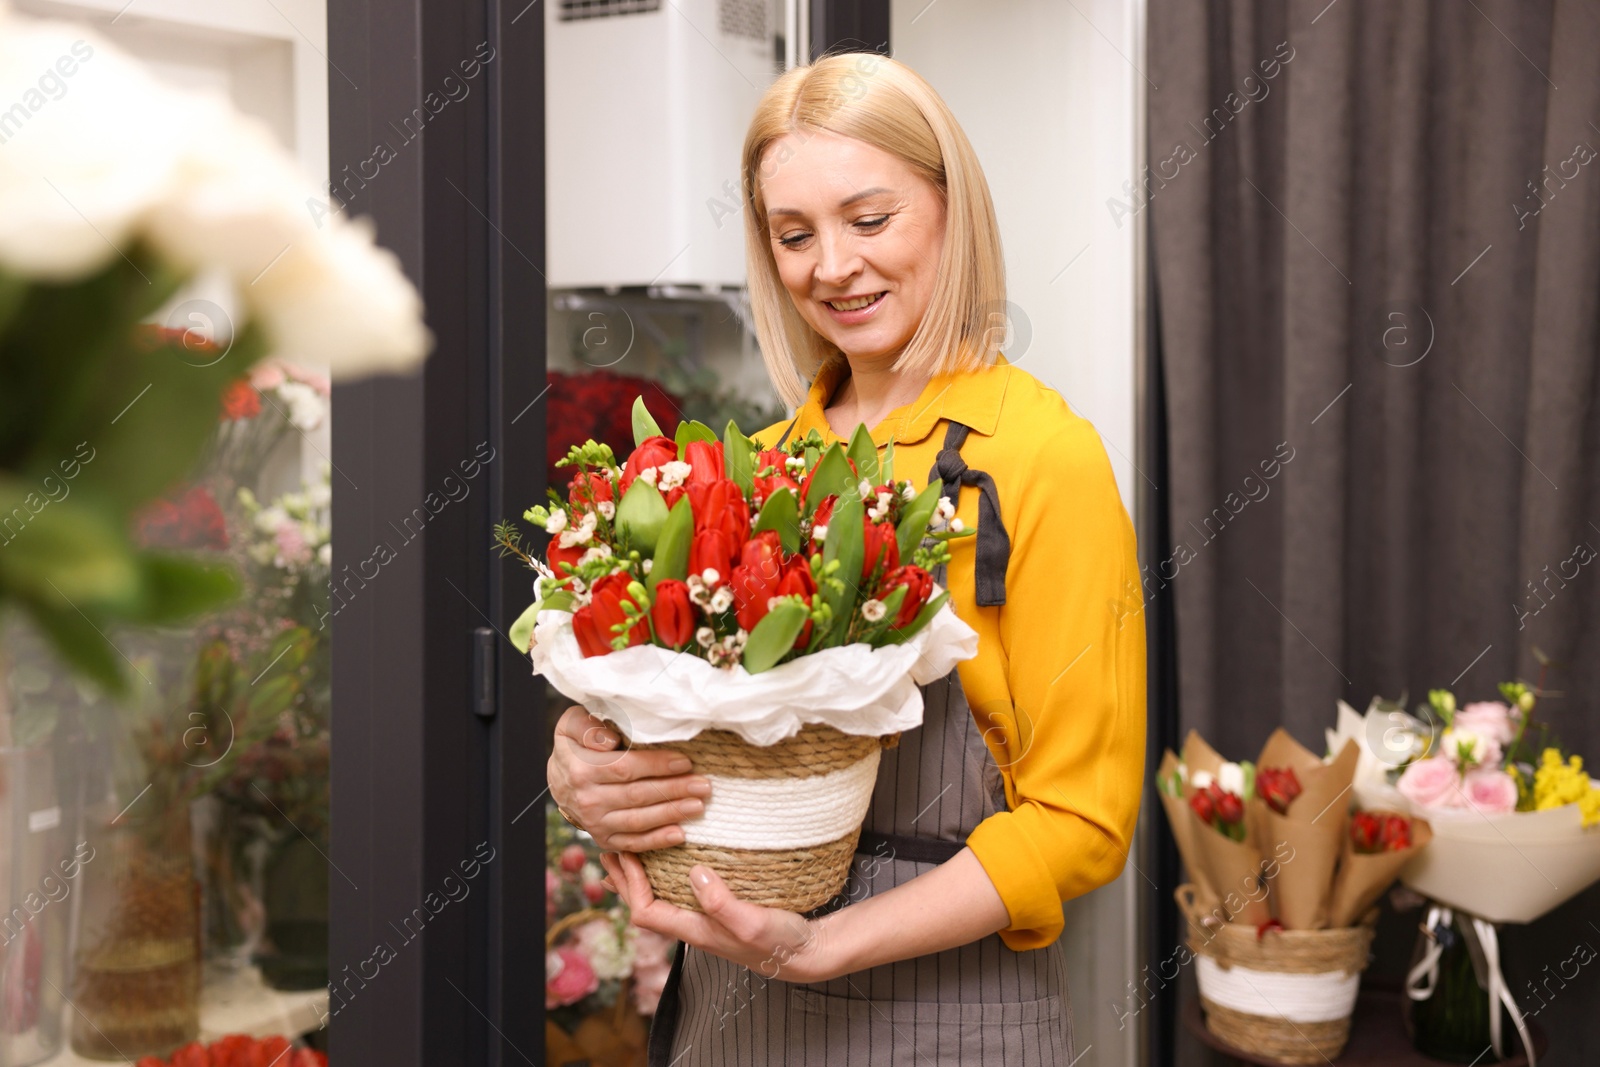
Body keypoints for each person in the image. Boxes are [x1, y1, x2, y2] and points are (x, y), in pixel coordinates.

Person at [548, 53, 1145, 1064]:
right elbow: (700, 726)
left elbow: (1079, 818)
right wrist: (592, 760)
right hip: (726, 1012)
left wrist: (824, 944)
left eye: (869, 219)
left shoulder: (1041, 458)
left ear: (954, 211)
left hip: (944, 1020)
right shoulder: (769, 468)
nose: (831, 265)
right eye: (794, 234)